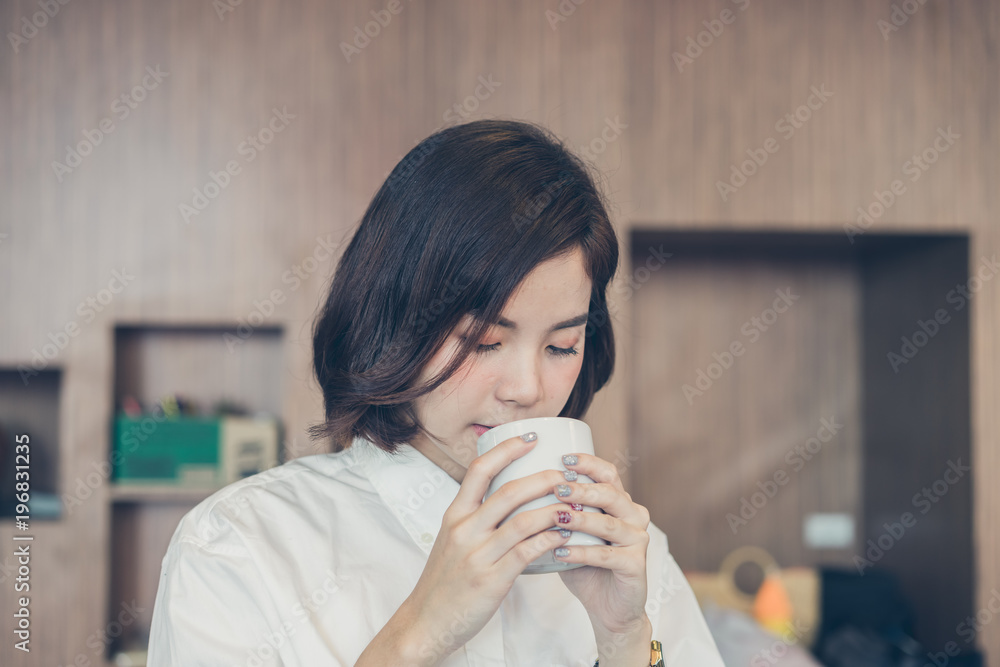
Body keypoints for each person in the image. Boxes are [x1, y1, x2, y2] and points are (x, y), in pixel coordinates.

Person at [147, 119, 724, 666]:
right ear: (396, 320)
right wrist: (421, 631)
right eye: (482, 341)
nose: (526, 389)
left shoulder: (630, 556)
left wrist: (624, 641)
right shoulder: (241, 545)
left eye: (560, 346)